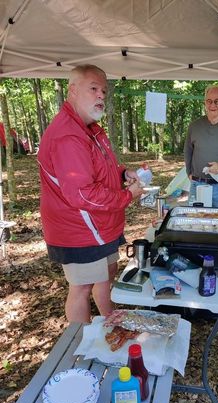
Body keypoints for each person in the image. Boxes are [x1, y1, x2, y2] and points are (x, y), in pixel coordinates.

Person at [38, 64, 144, 323]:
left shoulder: (90, 128)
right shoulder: (68, 135)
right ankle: (81, 346)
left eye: (104, 91)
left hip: (99, 225)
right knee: (82, 288)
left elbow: (97, 169)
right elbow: (82, 194)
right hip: (78, 230)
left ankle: (110, 320)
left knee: (106, 274)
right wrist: (127, 197)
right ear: (72, 91)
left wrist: (122, 174)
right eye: (93, 89)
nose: (101, 96)